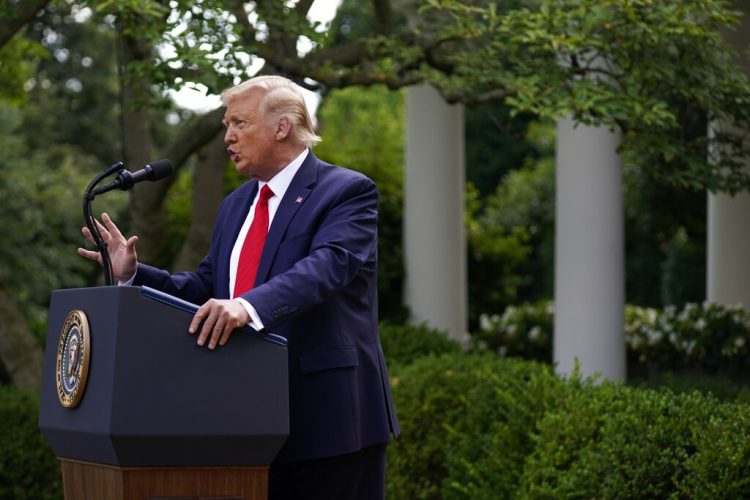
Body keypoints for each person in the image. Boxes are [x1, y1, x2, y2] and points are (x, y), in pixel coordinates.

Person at [78, 75, 399, 499]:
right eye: (226, 125)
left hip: (329, 419)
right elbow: (208, 286)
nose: (228, 136)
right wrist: (134, 275)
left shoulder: (346, 191)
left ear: (282, 127)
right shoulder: (235, 205)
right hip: (244, 421)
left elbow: (328, 267)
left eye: (239, 123)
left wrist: (247, 307)